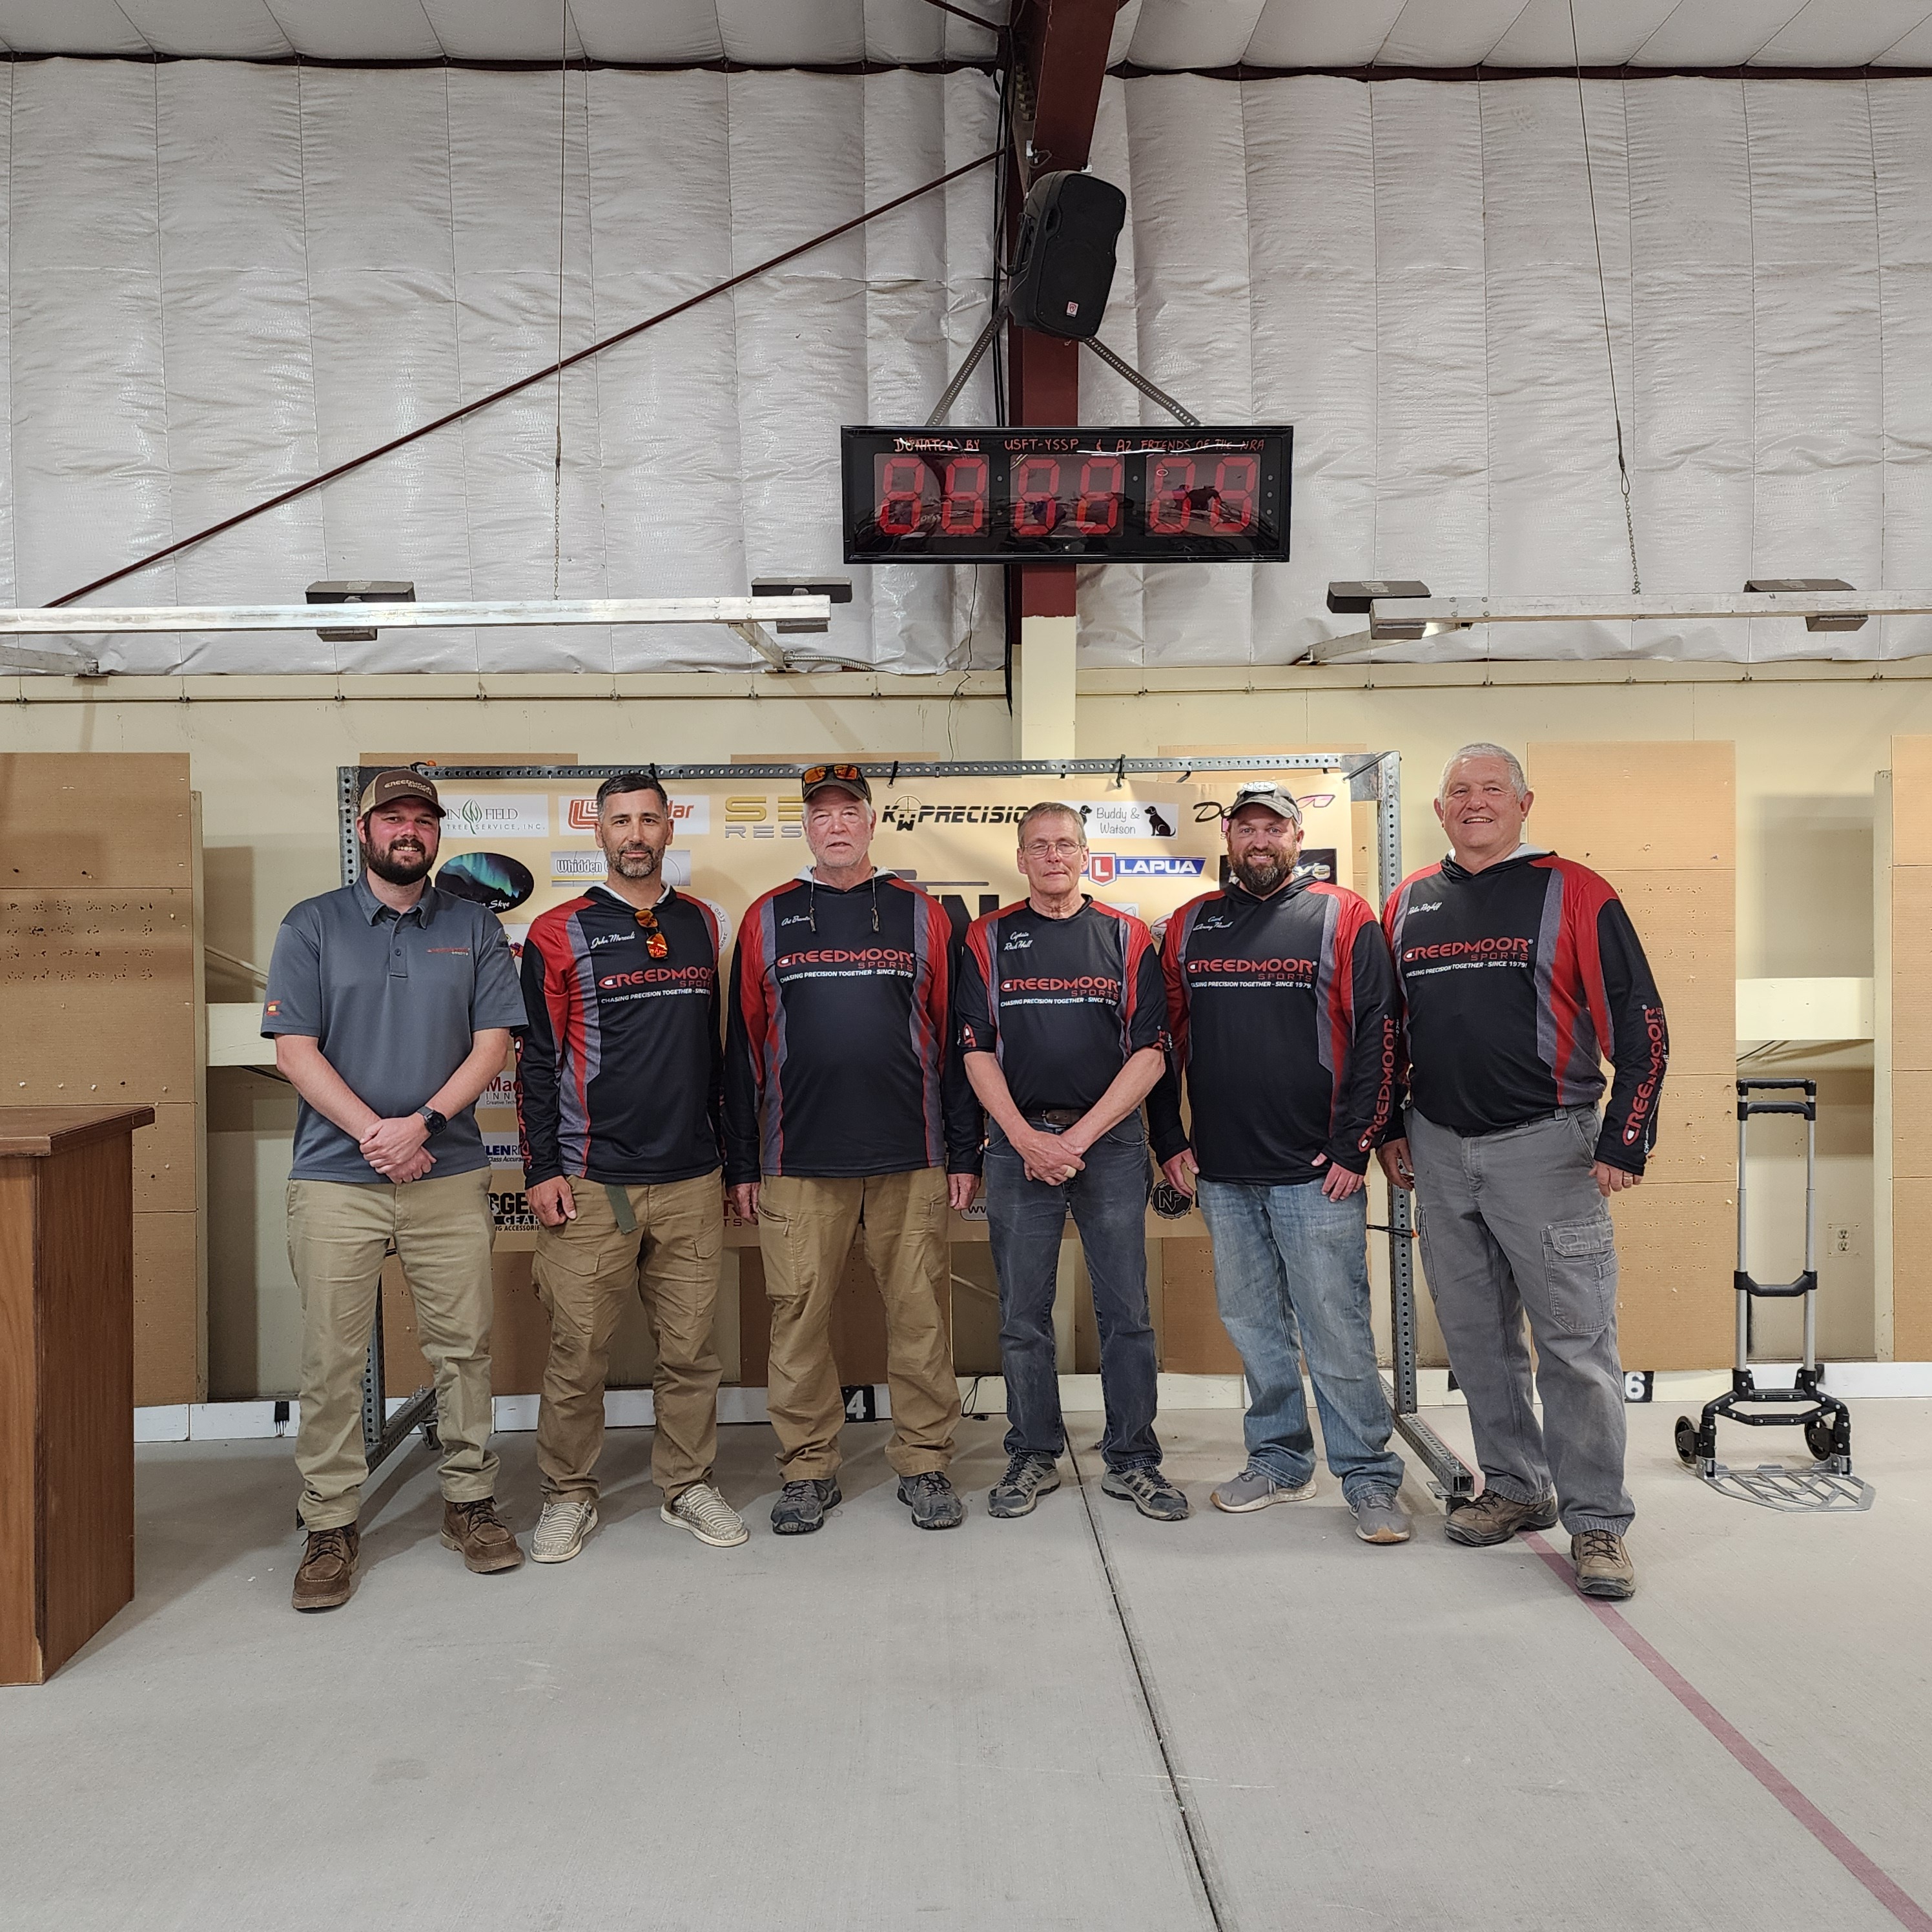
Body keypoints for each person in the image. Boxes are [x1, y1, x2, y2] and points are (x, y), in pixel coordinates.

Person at [1379, 743, 1667, 1601]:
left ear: (1523, 803)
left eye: (1491, 789)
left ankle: (1598, 1522)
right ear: (1440, 811)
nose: (1475, 802)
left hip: (1548, 1148)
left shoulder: (1575, 890)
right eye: (1458, 791)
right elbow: (1389, 1030)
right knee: (1476, 1340)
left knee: (1575, 1345)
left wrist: (1625, 1138)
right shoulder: (1408, 901)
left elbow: (1642, 1023)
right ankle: (1514, 1486)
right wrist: (1389, 1126)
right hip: (1437, 1148)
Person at [264, 768, 529, 1611]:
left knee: (464, 1350)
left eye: (422, 818)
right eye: (393, 818)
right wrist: (377, 1136)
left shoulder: (474, 926)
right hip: (335, 1179)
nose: (408, 830)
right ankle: (330, 1522)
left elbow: (493, 1044)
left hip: (446, 1172)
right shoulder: (312, 923)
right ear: (364, 828)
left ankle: (469, 1502)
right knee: (332, 1358)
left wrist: (421, 1124)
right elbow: (294, 1050)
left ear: (437, 833)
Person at [1149, 782, 1410, 1543]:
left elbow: (1380, 1033)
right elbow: (1160, 1041)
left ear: (1297, 837)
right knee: (1254, 1325)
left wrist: (1355, 1144)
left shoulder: (1342, 914)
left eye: (1273, 828)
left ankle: (1367, 1475)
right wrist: (1169, 1138)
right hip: (1223, 1170)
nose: (1258, 840)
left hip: (1316, 1171)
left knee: (1335, 1328)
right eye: (1246, 828)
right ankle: (1280, 1460)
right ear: (1228, 837)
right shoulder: (1190, 925)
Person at [724, 763, 981, 1534]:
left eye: (849, 812)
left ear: (872, 823)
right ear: (806, 828)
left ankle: (925, 1460)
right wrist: (742, 1161)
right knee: (798, 1320)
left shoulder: (923, 914)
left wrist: (963, 1152)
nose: (835, 825)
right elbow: (742, 1048)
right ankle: (807, 1470)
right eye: (821, 814)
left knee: (920, 1318)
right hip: (797, 1161)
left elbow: (954, 1040)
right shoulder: (766, 916)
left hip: (912, 1156)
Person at [516, 772, 747, 1565]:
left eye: (649, 819)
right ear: (599, 832)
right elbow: (537, 1060)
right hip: (591, 1179)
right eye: (621, 821)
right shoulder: (558, 930)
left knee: (690, 1352)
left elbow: (715, 1052)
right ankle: (567, 1493)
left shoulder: (702, 923)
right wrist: (541, 1167)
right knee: (578, 1352)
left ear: (669, 827)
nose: (636, 834)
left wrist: (730, 1157)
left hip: (691, 1178)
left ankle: (686, 1484)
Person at [958, 803, 1188, 1523]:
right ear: (1020, 858)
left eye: (1065, 844)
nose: (1053, 856)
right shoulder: (987, 937)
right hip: (1016, 1144)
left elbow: (1151, 1054)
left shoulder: (1125, 935)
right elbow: (974, 1050)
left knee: (1127, 1311)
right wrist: (1026, 1139)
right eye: (1039, 846)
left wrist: (1075, 1140)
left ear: (1085, 854)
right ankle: (1032, 1452)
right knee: (1022, 1314)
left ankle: (1133, 1458)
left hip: (1109, 1145)